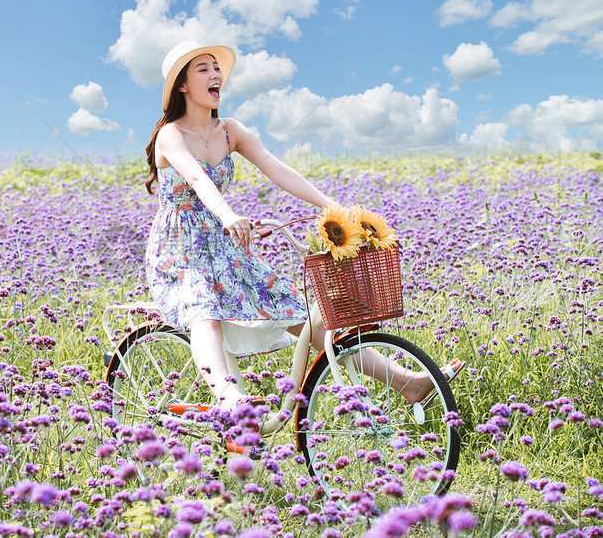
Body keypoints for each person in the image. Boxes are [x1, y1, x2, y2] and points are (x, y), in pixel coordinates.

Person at [144, 41, 462, 413]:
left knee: (304, 316)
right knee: (203, 312)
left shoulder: (231, 131)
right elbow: (198, 180)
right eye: (203, 69)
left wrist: (332, 207)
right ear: (182, 85)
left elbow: (278, 170)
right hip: (180, 252)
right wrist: (227, 215)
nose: (215, 75)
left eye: (217, 68)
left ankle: (407, 382)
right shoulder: (172, 135)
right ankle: (231, 403)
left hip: (227, 247)